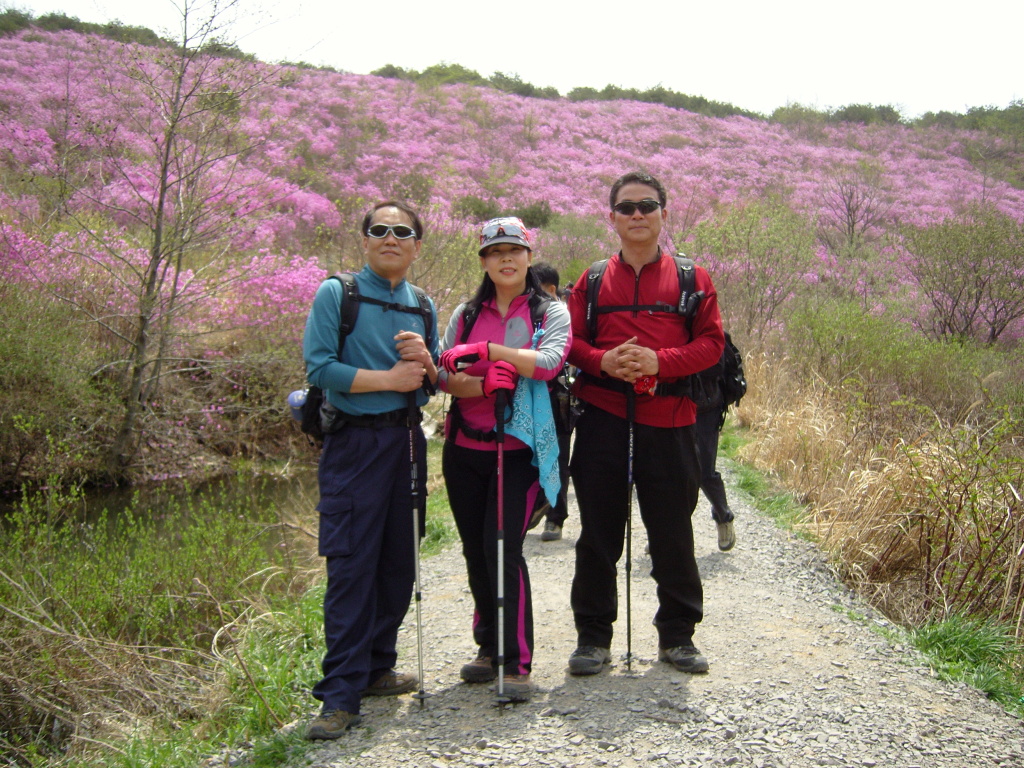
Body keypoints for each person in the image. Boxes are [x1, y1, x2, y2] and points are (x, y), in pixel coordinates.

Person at [565, 172, 724, 677]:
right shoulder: (590, 281)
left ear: (662, 214)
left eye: (647, 206)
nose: (637, 215)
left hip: (670, 421)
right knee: (597, 534)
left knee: (673, 531)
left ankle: (678, 637)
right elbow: (568, 344)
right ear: (611, 216)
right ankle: (593, 638)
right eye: (627, 207)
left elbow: (712, 345)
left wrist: (660, 362)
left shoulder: (693, 277)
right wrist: (604, 362)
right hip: (603, 420)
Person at [302, 201, 439, 740]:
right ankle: (339, 695)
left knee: (397, 562)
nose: (390, 237)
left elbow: (430, 384)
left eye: (401, 231)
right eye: (379, 230)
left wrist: (426, 363)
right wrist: (392, 378)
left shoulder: (422, 305)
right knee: (351, 566)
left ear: (416, 246)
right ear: (364, 241)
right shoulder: (339, 293)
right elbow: (319, 368)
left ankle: (378, 666)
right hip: (353, 446)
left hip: (406, 442)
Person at [438, 217, 570, 702]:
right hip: (465, 447)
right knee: (475, 549)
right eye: (496, 252)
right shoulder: (465, 313)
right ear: (484, 261)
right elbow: (442, 372)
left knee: (503, 548)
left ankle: (515, 662)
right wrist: (478, 377)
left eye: (515, 249)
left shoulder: (549, 312)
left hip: (518, 453)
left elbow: (552, 361)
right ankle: (487, 646)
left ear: (529, 257)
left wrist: (490, 351)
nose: (506, 258)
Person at [526, 260, 572, 542]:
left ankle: (555, 517)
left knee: (557, 457)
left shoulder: (561, 315)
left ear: (551, 288)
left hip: (558, 398)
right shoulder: (529, 312)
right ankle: (534, 506)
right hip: (531, 396)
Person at [696, 348, 737, 552]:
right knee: (673, 471)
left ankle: (724, 517)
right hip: (672, 406)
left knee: (704, 472)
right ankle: (667, 532)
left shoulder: (707, 326)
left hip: (705, 408)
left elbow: (715, 366)